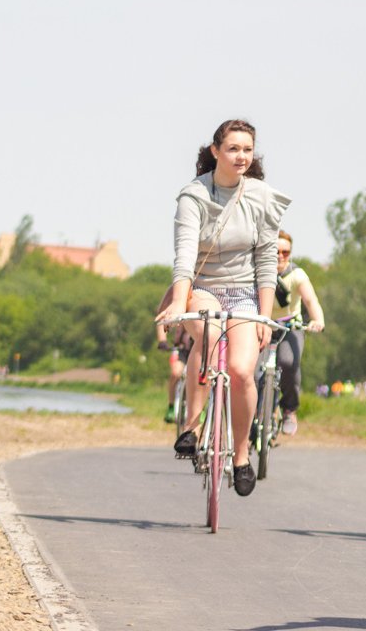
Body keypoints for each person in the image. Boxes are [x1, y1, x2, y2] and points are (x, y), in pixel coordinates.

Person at [155, 119, 291, 498]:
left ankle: (242, 455)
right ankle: (194, 427)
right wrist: (179, 306)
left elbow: (266, 261)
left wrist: (264, 316)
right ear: (216, 151)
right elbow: (183, 259)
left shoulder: (262, 197)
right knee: (210, 336)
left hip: (244, 294)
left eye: (247, 149)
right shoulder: (194, 196)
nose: (241, 156)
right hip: (204, 289)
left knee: (243, 370)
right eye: (233, 149)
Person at [267, 229, 326, 436]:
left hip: (289, 326)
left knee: (289, 362)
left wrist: (318, 320)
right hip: (263, 325)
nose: (281, 256)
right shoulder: (259, 273)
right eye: (276, 251)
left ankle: (289, 408)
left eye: (285, 252)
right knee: (252, 372)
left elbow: (311, 301)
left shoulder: (297, 274)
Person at [155, 310, 192, 424]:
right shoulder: (181, 303)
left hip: (197, 349)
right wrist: (162, 340)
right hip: (180, 349)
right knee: (176, 373)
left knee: (202, 377)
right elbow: (163, 318)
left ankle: (200, 409)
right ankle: (171, 406)